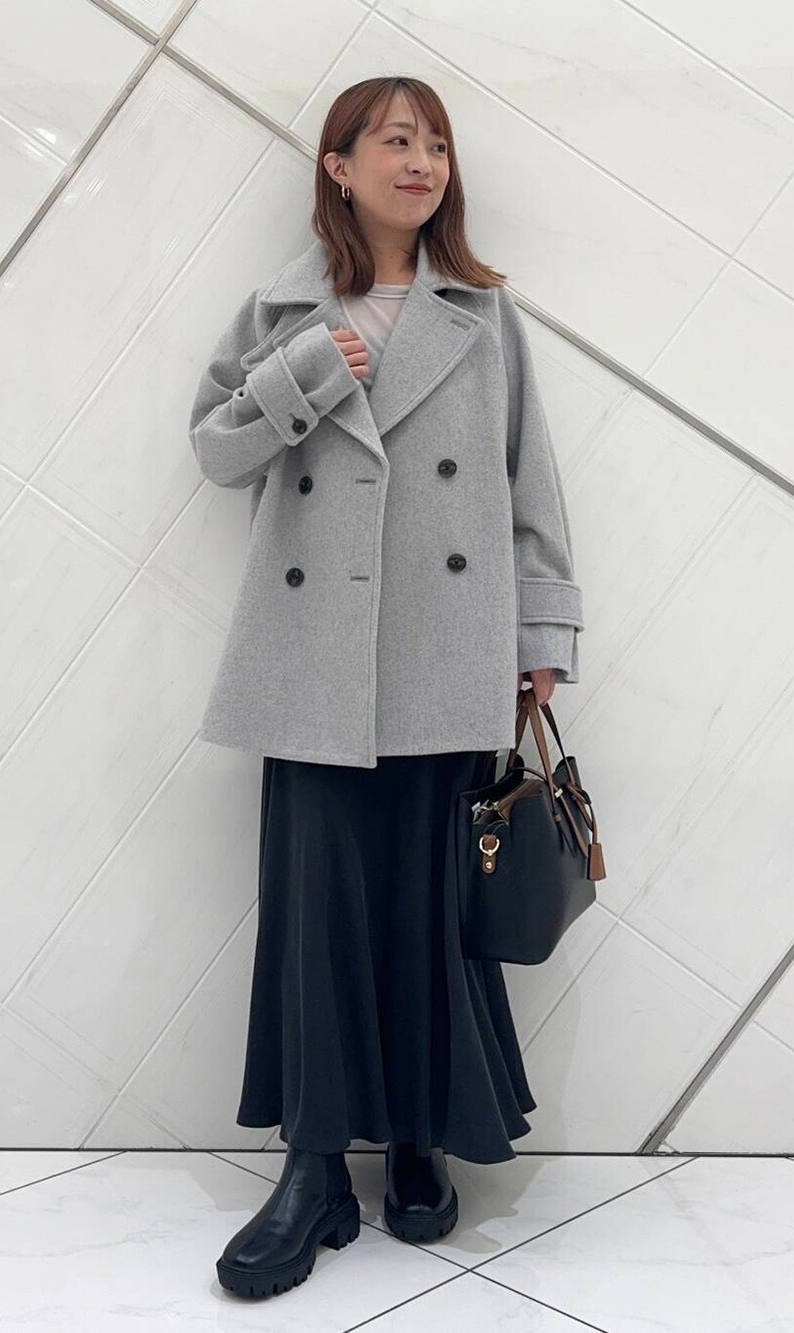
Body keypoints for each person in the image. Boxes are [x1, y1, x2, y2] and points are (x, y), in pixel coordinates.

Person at [189, 76, 584, 1301]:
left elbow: (527, 480)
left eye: (437, 145)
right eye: (396, 141)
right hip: (312, 657)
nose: (422, 162)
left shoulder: (481, 313)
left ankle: (419, 1137)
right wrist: (310, 367)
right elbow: (215, 450)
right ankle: (313, 1169)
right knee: (315, 920)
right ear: (339, 165)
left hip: (444, 649)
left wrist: (541, 631)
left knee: (428, 913)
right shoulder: (283, 308)